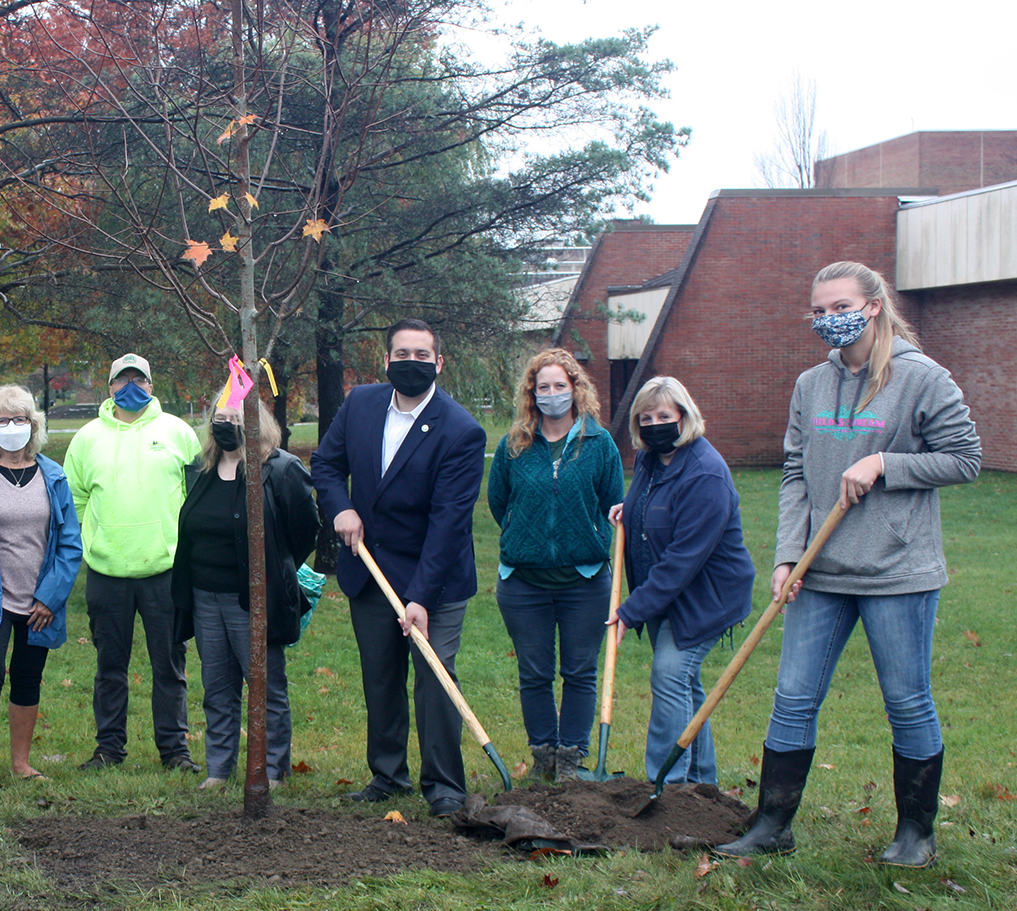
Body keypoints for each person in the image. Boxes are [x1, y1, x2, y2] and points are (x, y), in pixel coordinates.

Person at [716, 261, 981, 866]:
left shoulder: (922, 378)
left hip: (897, 572)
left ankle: (916, 832)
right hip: (821, 571)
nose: (828, 319)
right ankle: (773, 825)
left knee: (907, 700)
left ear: (873, 307)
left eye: (840, 306)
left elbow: (965, 459)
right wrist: (787, 554)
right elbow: (793, 473)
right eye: (819, 310)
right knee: (792, 697)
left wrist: (887, 464)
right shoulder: (812, 385)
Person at [310, 319, 488, 816]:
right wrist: (340, 507)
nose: (412, 362)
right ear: (386, 361)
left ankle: (445, 786)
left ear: (439, 363)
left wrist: (421, 599)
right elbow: (324, 463)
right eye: (402, 353)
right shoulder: (361, 404)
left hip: (437, 577)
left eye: (422, 354)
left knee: (435, 681)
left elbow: (448, 524)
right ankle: (388, 775)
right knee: (380, 676)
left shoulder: (461, 430)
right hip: (370, 572)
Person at [603, 377, 754, 787]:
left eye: (664, 416)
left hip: (706, 595)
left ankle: (667, 783)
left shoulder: (706, 474)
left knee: (670, 675)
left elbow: (683, 560)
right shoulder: (652, 460)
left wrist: (630, 612)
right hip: (667, 594)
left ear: (684, 417)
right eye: (646, 417)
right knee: (684, 685)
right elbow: (655, 504)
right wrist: (630, 510)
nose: (655, 424)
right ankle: (701, 785)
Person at [171, 386, 317, 789]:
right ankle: (219, 768)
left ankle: (272, 770)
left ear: (257, 423)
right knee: (217, 688)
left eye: (238, 420)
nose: (228, 427)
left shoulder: (280, 469)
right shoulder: (200, 471)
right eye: (221, 420)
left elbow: (306, 530)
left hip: (254, 598)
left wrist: (276, 567)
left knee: (265, 686)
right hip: (205, 598)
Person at [486, 349, 622, 782]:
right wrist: (524, 535)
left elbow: (611, 502)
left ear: (575, 389)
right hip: (523, 583)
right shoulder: (513, 445)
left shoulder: (600, 445)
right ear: (532, 393)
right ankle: (543, 753)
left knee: (580, 671)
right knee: (535, 673)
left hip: (585, 581)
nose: (551, 394)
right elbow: (498, 502)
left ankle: (571, 758)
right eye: (542, 387)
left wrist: (585, 537)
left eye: (559, 386)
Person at [63, 353, 203, 773]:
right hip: (107, 573)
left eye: (138, 378)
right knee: (109, 668)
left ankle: (175, 751)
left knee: (170, 667)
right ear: (109, 388)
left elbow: (196, 501)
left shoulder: (179, 433)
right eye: (121, 380)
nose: (130, 386)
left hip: (166, 572)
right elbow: (73, 502)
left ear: (151, 384)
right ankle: (108, 749)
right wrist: (90, 546)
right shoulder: (86, 439)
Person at [0, 385, 84, 794]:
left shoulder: (53, 476)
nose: (12, 427)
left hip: (40, 601)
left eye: (20, 419)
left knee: (28, 678)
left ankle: (22, 763)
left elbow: (69, 543)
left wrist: (50, 596)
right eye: (3, 420)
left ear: (34, 425)